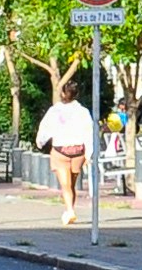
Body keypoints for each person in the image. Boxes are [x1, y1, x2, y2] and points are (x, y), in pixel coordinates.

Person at [36, 71, 97, 213]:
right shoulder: (83, 111)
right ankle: (70, 209)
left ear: (63, 94)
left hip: (60, 151)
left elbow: (45, 128)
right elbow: (89, 132)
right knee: (72, 184)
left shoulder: (55, 111)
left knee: (65, 185)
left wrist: (40, 141)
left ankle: (69, 210)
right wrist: (89, 153)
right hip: (78, 151)